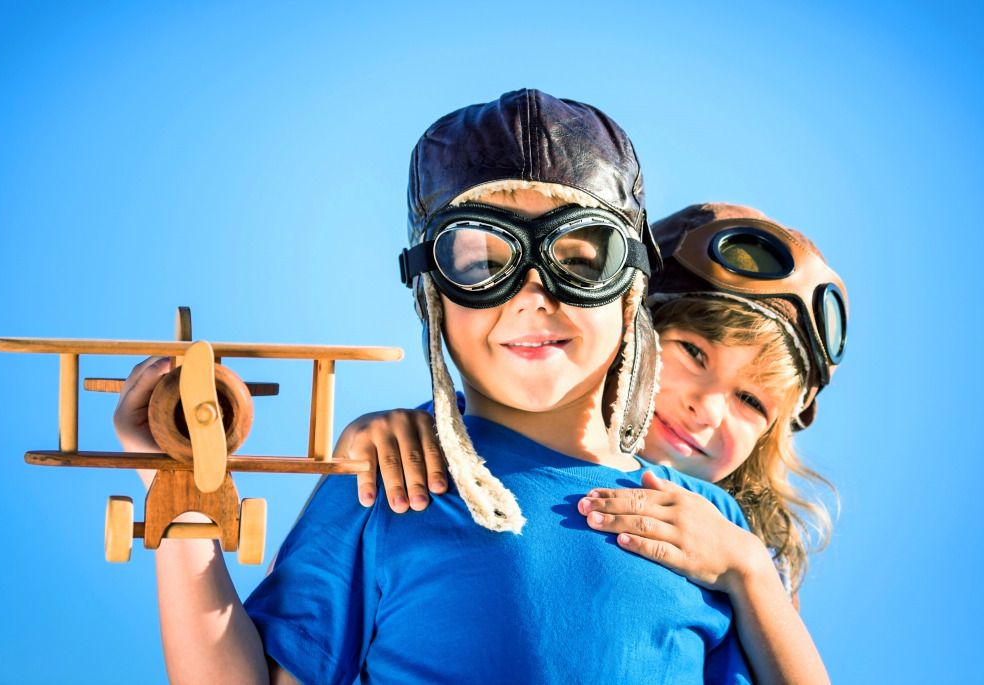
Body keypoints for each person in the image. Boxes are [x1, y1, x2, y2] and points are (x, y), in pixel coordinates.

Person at [114, 89, 754, 684]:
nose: (533, 295)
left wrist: (752, 574)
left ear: (631, 285)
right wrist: (180, 495)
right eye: (480, 263)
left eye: (578, 261)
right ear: (431, 293)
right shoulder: (388, 482)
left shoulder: (708, 527)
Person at [338, 202, 845, 684]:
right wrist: (364, 446)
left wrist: (750, 569)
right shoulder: (439, 456)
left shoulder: (733, 547)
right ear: (629, 324)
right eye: (693, 351)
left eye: (751, 402)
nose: (707, 409)